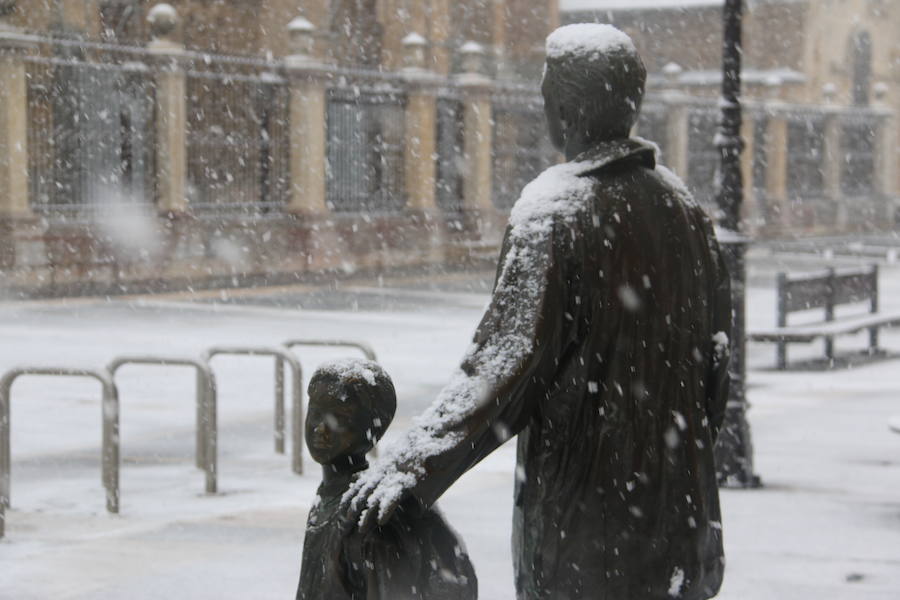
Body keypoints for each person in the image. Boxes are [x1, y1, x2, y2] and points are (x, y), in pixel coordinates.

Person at [343, 23, 732, 600]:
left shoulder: (556, 213)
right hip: (684, 534)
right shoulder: (686, 210)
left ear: (566, 109)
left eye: (548, 98)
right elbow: (715, 375)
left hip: (588, 541)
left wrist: (410, 470)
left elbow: (502, 368)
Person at [296, 358, 477, 600]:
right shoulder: (331, 495)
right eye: (316, 413)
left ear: (372, 428)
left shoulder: (372, 517)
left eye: (337, 418)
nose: (320, 428)